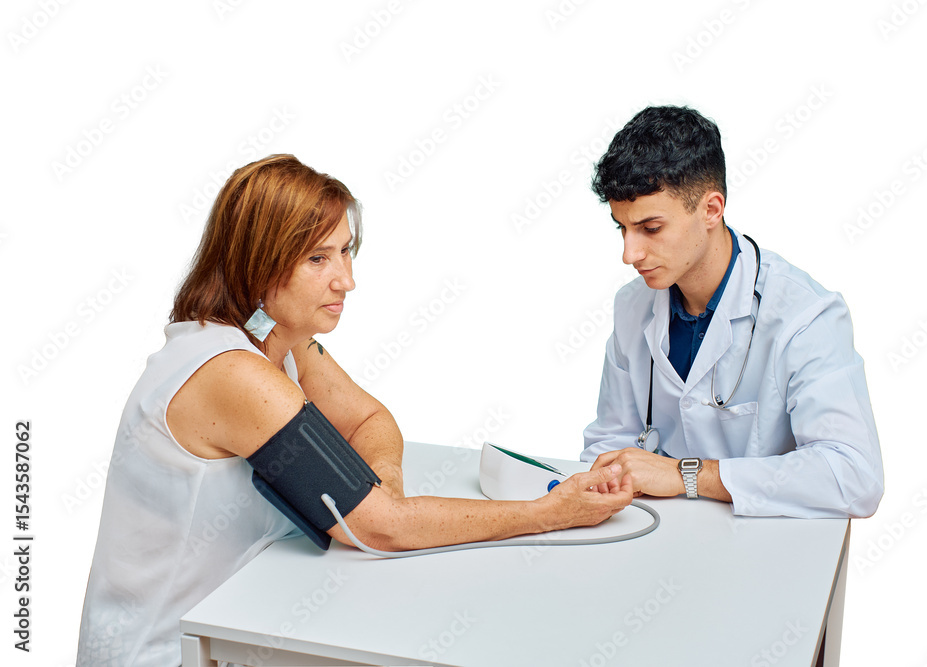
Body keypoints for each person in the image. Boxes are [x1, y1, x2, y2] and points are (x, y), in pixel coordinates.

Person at [77, 154, 633, 666]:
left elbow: (370, 420)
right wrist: (550, 512)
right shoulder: (231, 373)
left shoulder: (278, 340)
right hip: (169, 652)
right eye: (317, 258)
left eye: (344, 251)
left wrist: (381, 484)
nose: (346, 279)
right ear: (259, 263)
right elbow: (379, 530)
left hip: (241, 619)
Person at [580, 106, 884, 519]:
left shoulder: (805, 315)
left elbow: (854, 475)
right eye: (622, 228)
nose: (629, 254)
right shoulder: (633, 305)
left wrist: (686, 475)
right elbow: (609, 443)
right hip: (660, 534)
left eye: (650, 229)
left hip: (768, 543)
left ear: (711, 209)